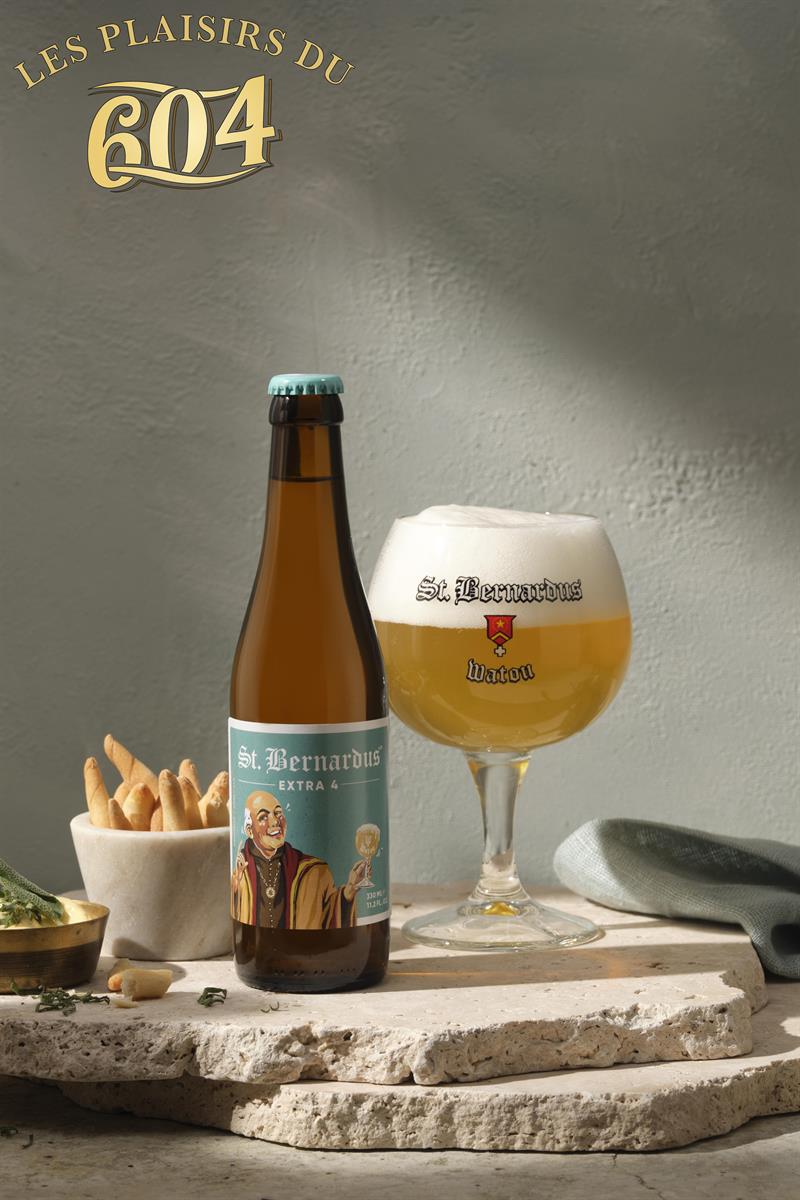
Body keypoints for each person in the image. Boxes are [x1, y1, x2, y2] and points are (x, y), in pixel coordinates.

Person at [231, 791, 367, 929]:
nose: (275, 821)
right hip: (253, 941)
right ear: (249, 830)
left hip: (307, 942)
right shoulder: (240, 870)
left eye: (278, 813)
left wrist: (350, 889)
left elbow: (330, 913)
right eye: (263, 817)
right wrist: (235, 888)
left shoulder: (313, 870)